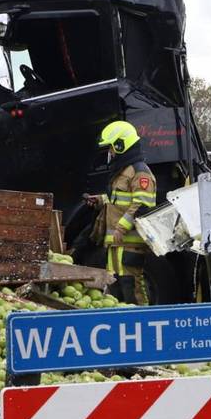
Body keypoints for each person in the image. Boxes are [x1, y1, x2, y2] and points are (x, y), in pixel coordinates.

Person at [83, 120, 157, 304]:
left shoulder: (140, 173)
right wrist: (100, 200)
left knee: (132, 286)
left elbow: (141, 205)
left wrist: (121, 229)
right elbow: (119, 199)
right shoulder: (124, 172)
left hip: (129, 242)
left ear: (121, 145)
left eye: (111, 148)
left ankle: (142, 322)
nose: (110, 153)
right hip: (117, 244)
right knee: (115, 285)